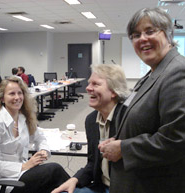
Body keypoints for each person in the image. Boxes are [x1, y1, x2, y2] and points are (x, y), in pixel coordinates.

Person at [99, 8, 185, 193]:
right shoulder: (152, 73)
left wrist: (124, 149)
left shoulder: (177, 72)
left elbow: (177, 138)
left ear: (168, 34)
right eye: (135, 35)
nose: (142, 39)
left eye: (150, 31)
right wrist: (119, 139)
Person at [0, 76, 69, 193]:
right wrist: (24, 166)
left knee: (55, 186)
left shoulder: (23, 119)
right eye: (11, 94)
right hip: (4, 181)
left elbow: (40, 138)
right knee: (55, 170)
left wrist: (43, 150)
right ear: (2, 99)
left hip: (23, 174)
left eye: (19, 93)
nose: (17, 97)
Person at [52, 64, 128, 193]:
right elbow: (93, 163)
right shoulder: (91, 120)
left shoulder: (128, 119)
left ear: (114, 91)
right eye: (89, 83)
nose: (88, 88)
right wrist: (75, 179)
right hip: (101, 186)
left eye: (95, 84)